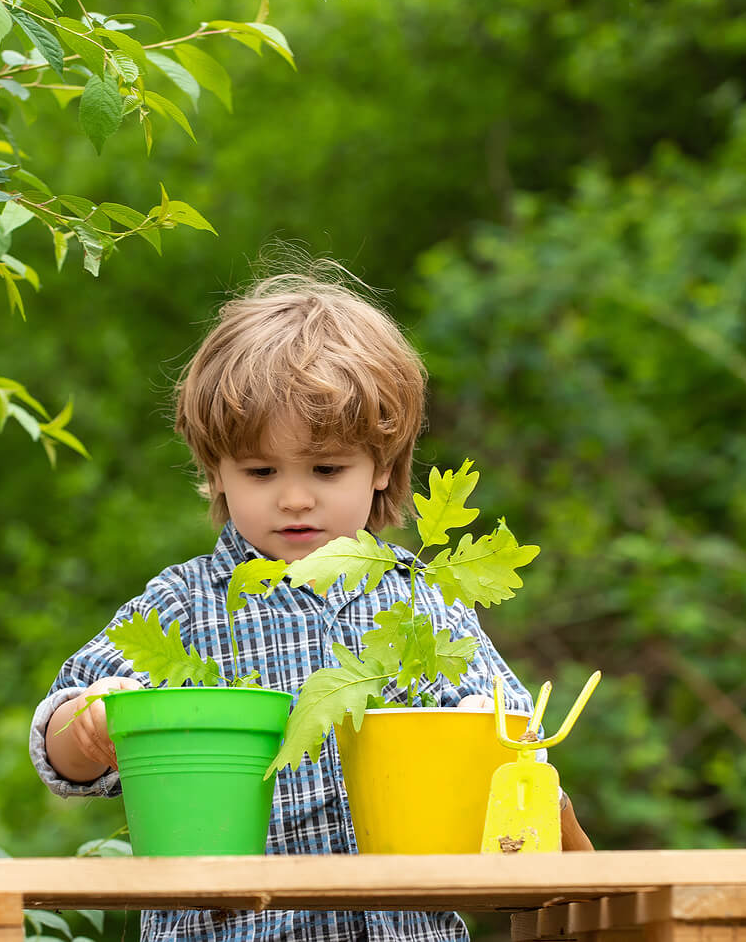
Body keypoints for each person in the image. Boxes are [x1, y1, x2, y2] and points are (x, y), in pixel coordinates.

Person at [30, 268, 591, 942]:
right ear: (215, 470)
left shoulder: (425, 602)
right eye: (261, 472)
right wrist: (88, 727)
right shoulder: (186, 606)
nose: (295, 499)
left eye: (327, 471)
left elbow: (510, 744)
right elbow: (61, 748)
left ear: (381, 465)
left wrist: (493, 743)